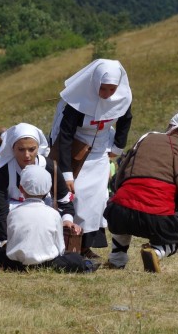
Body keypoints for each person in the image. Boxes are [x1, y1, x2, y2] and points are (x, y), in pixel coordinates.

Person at [104, 111, 178, 274]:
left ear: (174, 128)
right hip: (157, 219)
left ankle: (117, 258)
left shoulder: (146, 139)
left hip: (119, 213)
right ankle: (156, 252)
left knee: (123, 204)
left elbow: (120, 178)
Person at [49, 59, 132, 257]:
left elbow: (125, 119)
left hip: (100, 152)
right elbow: (66, 135)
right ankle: (67, 244)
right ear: (95, 83)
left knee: (96, 201)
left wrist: (117, 147)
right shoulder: (76, 102)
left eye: (112, 89)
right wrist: (67, 173)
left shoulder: (121, 98)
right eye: (103, 89)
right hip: (75, 151)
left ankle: (85, 246)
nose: (107, 95)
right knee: (75, 199)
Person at [0, 123, 79, 241]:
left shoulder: (49, 166)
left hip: (44, 219)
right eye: (21, 149)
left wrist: (67, 221)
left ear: (38, 147)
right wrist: (9, 239)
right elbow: (0, 211)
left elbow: (65, 201)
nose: (27, 155)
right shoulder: (3, 172)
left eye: (32, 149)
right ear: (13, 148)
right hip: (13, 221)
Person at [0, 165, 93, 273]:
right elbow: (61, 248)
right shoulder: (54, 214)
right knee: (75, 258)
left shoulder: (13, 213)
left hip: (16, 264)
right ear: (48, 190)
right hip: (47, 263)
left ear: (21, 188)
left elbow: (11, 241)